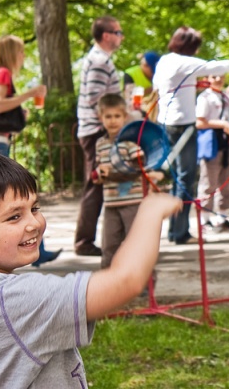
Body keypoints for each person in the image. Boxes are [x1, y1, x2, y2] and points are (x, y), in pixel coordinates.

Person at [0, 152, 181, 387]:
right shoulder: (14, 301)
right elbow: (125, 280)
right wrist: (151, 210)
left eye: (35, 208)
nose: (33, 223)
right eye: (14, 216)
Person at [153, 26, 229, 245]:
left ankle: (175, 230)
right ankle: (180, 233)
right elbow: (213, 66)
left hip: (165, 124)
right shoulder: (182, 61)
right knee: (186, 179)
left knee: (178, 179)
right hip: (182, 126)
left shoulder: (165, 61)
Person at [0, 35, 61, 267]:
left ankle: (37, 250)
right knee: (18, 196)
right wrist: (30, 94)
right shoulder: (3, 73)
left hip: (1, 140)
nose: (22, 57)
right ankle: (37, 251)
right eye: (20, 52)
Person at [75, 16, 124, 256]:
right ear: (107, 35)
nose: (121, 36)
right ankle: (84, 242)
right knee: (95, 183)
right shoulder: (98, 61)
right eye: (118, 32)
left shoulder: (100, 59)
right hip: (96, 131)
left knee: (96, 183)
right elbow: (96, 98)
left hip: (95, 129)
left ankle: (86, 240)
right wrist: (114, 116)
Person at [92, 94, 145, 268]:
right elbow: (101, 173)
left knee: (136, 244)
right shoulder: (100, 144)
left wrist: (111, 173)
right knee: (109, 246)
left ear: (125, 117)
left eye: (117, 116)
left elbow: (138, 169)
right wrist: (99, 175)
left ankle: (144, 286)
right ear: (101, 118)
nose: (113, 121)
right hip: (111, 204)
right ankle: (108, 285)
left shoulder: (130, 143)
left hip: (132, 202)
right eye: (108, 116)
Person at [196, 74, 229, 232]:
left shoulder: (226, 96)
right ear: (207, 78)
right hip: (211, 142)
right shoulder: (205, 97)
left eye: (220, 76)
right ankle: (204, 220)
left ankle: (222, 217)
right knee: (208, 181)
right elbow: (200, 122)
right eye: (214, 76)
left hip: (227, 142)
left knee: (226, 181)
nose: (218, 79)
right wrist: (222, 124)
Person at [123, 51, 161, 119]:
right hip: (135, 112)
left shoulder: (158, 76)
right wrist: (153, 89)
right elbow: (129, 96)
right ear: (145, 66)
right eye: (152, 71)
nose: (153, 75)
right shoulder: (131, 74)